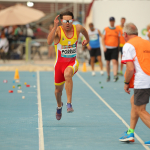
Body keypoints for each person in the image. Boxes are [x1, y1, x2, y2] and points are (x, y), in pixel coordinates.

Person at [47, 11, 89, 120]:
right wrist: (55, 26)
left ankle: (69, 103)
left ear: (72, 21)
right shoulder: (58, 31)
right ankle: (59, 106)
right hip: (59, 65)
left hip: (72, 62)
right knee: (57, 91)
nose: (67, 23)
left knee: (68, 73)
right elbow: (49, 41)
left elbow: (85, 31)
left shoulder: (77, 28)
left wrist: (87, 40)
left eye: (70, 21)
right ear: (62, 21)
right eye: (65, 21)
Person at [119, 23, 150, 145]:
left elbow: (130, 69)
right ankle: (130, 132)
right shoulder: (147, 42)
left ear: (125, 34)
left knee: (140, 110)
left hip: (143, 81)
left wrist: (126, 82)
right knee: (134, 101)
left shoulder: (128, 45)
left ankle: (130, 132)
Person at [102, 17, 120, 82]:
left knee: (114, 61)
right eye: (111, 21)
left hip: (115, 48)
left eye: (113, 21)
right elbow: (102, 38)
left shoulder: (118, 30)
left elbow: (119, 39)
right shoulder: (105, 29)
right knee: (108, 62)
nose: (112, 22)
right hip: (107, 48)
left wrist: (118, 48)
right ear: (109, 22)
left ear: (114, 21)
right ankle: (108, 75)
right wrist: (104, 46)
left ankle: (115, 75)